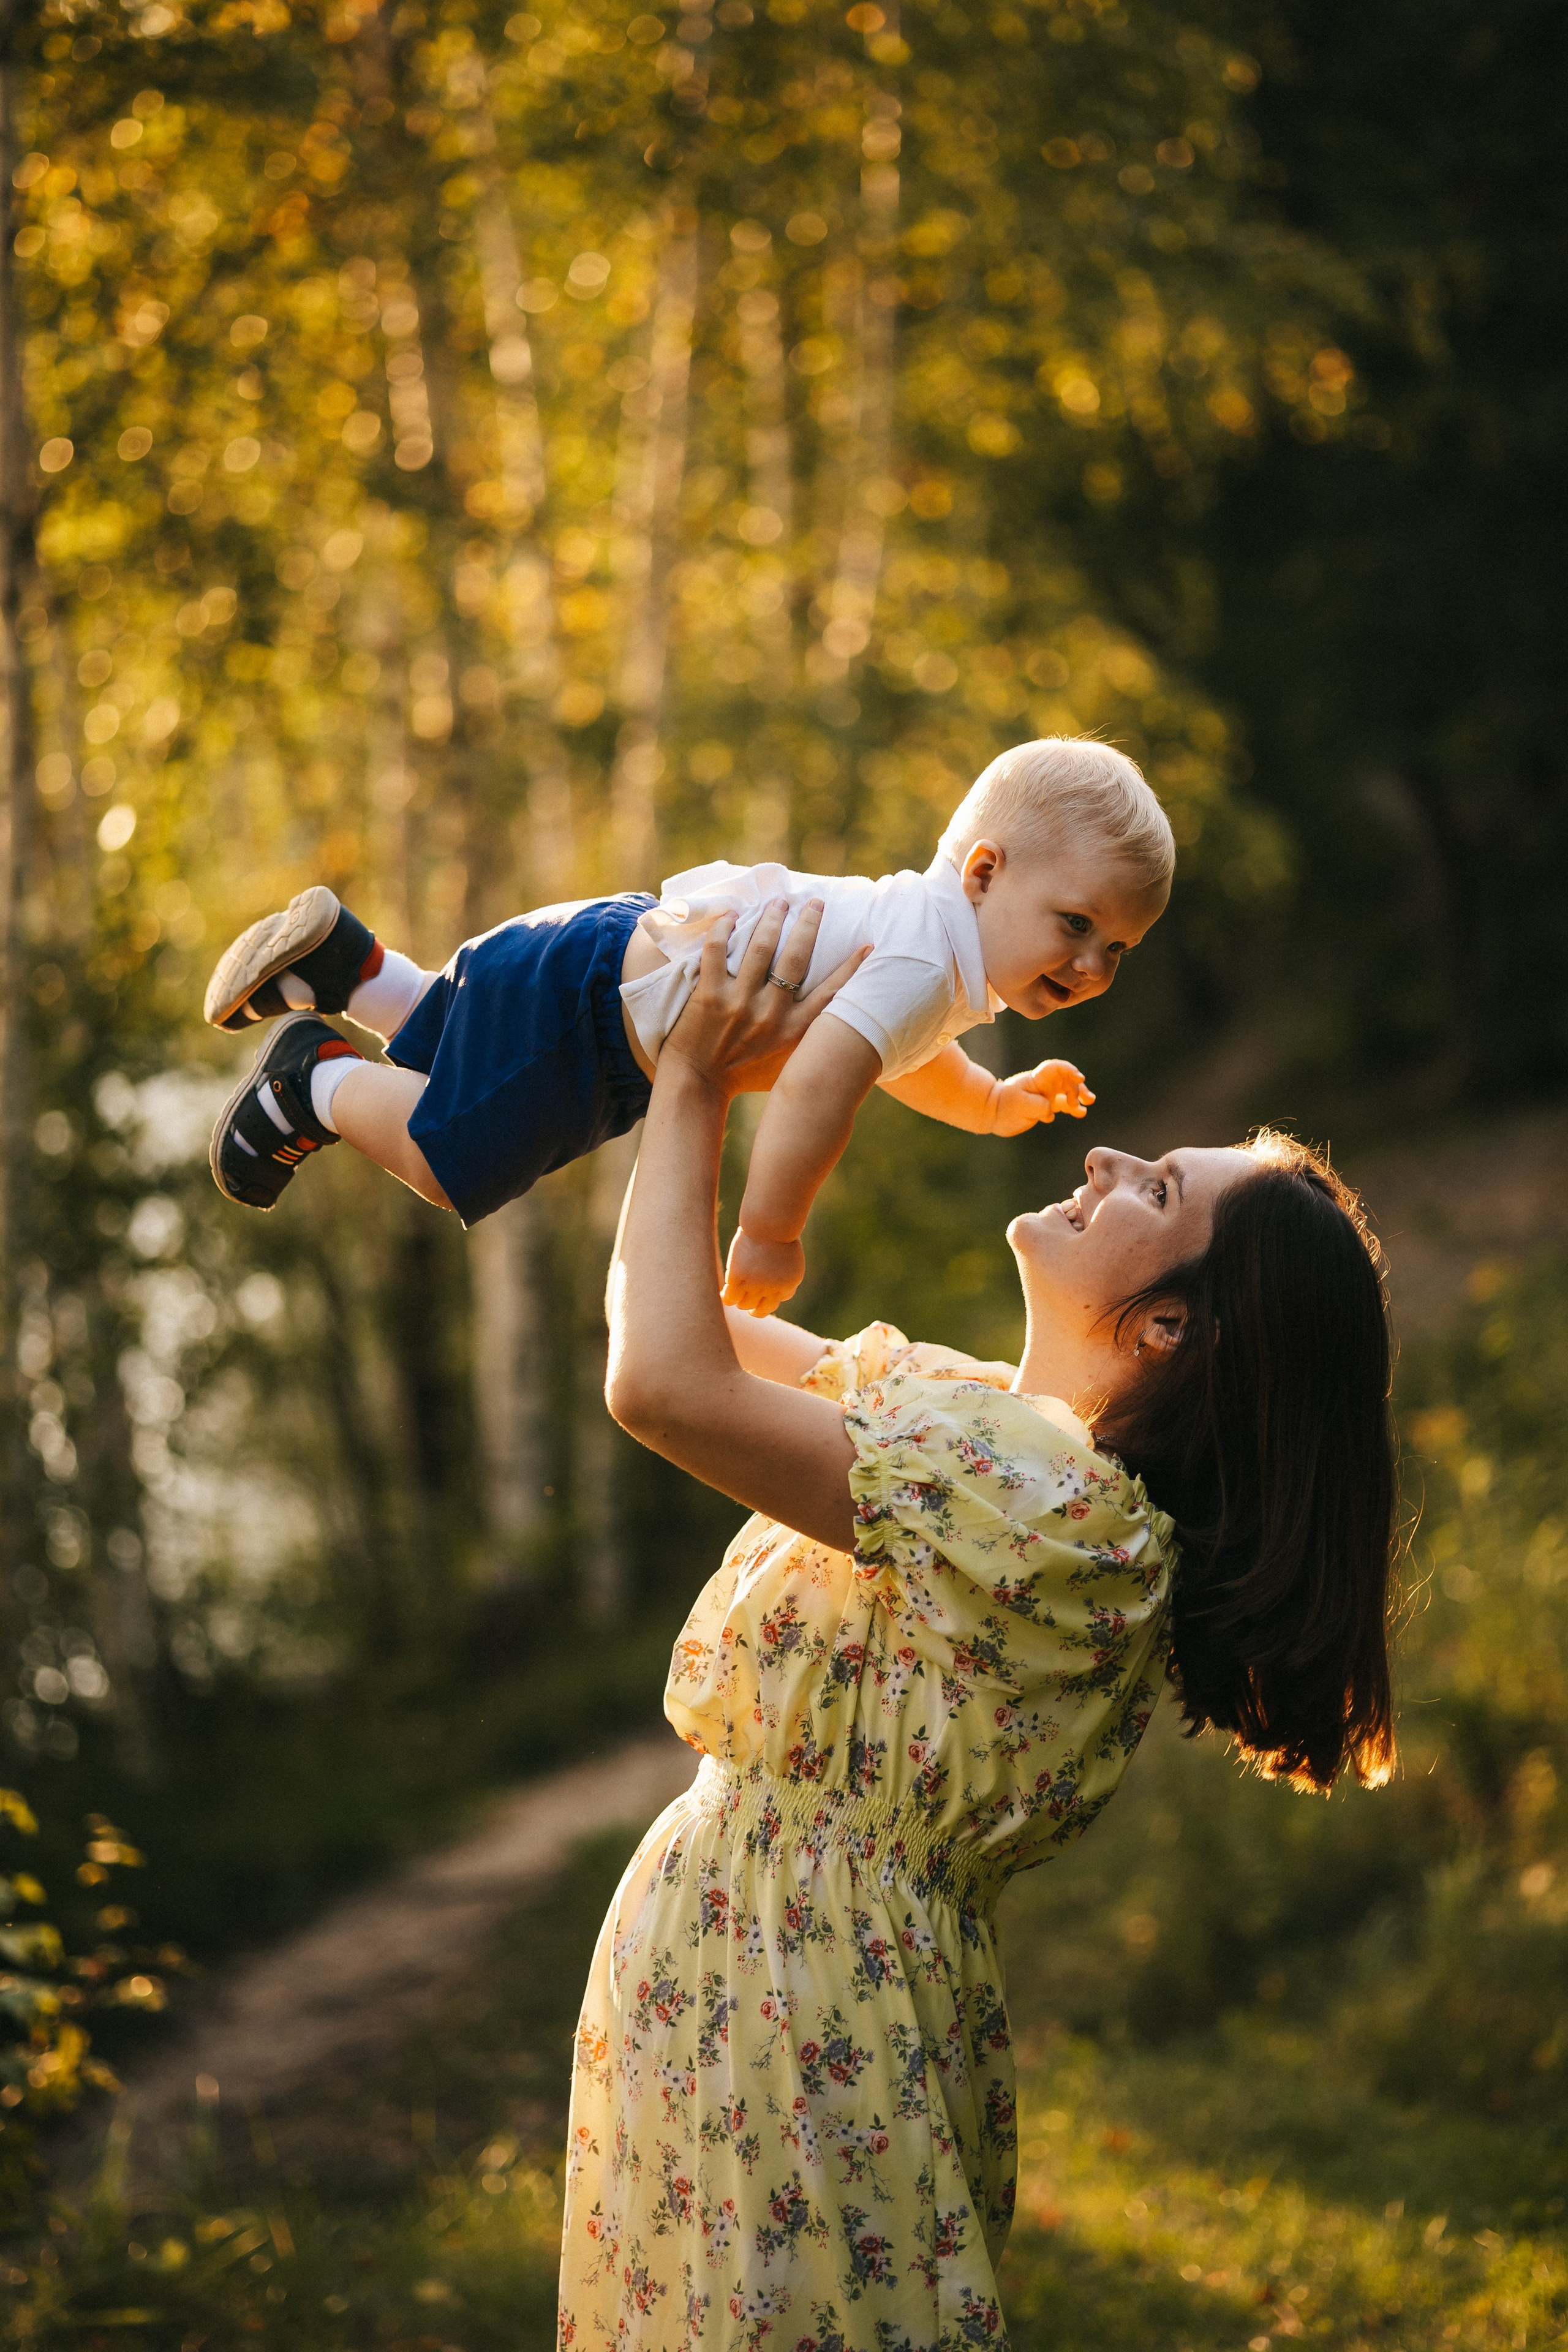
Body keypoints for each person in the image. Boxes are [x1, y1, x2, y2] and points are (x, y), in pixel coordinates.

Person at [558, 900, 1397, 2352]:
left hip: (790, 1992)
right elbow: (659, 1316)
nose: (1101, 1156)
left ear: (1165, 1330)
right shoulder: (983, 1445)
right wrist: (707, 1061)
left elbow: (663, 1387)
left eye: (1151, 1190)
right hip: (757, 1969)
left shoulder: (1041, 1509)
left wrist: (695, 1085)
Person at [202, 737, 1172, 1314]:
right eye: (1077, 926)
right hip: (596, 1017)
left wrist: (996, 1104)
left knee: (459, 1045)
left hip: (603, 969)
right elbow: (821, 1085)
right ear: (986, 872)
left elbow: (903, 1062)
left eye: (1117, 949)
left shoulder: (931, 958)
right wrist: (768, 1233)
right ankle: (315, 1082)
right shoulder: (925, 958)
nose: (1090, 967)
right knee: (455, 1153)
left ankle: (349, 968)